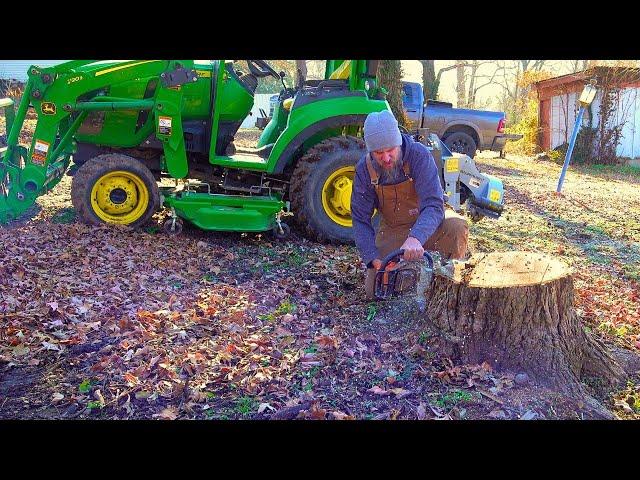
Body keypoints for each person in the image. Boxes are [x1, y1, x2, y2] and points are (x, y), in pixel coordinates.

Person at [350, 110, 469, 300]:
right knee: (374, 292)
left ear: (398, 142)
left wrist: (416, 237)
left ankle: (454, 284)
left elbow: (433, 205)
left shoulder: (418, 155)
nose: (386, 158)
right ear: (371, 151)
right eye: (379, 153)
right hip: (394, 228)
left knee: (457, 226)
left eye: (390, 151)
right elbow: (360, 219)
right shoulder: (365, 169)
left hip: (428, 223)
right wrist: (372, 258)